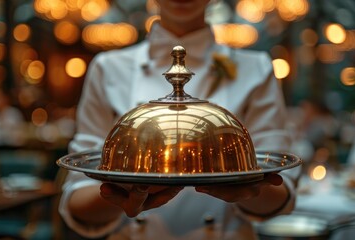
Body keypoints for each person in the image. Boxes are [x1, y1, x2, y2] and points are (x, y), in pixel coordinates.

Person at [59, 1, 300, 239]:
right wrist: (121, 196)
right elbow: (78, 199)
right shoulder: (108, 68)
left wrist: (250, 189)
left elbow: (279, 195)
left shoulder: (255, 68)